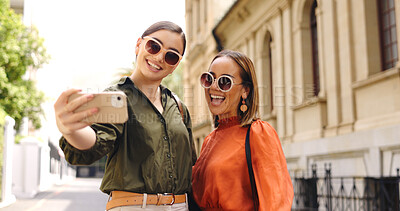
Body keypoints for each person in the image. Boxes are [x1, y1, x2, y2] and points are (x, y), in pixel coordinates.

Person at [54, 21, 197, 211]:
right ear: (139, 45)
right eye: (154, 46)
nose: (160, 57)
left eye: (171, 56)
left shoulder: (178, 107)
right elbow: (96, 142)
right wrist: (71, 130)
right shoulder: (115, 99)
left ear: (175, 65)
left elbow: (192, 167)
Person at [191, 50, 294, 210]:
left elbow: (275, 202)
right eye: (209, 79)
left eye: (224, 82)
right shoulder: (209, 140)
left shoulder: (258, 133)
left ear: (245, 90)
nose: (213, 87)